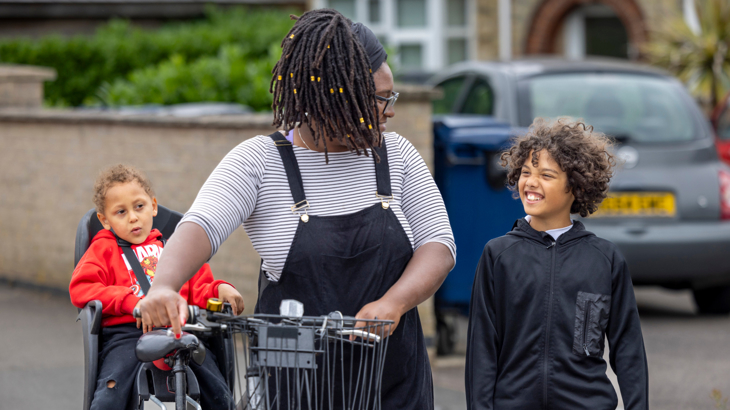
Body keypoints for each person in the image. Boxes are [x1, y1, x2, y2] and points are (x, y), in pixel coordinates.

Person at [137, 9, 456, 410]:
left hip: (391, 379)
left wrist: (394, 302)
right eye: (379, 99)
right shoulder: (259, 162)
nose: (390, 109)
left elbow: (440, 245)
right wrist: (165, 285)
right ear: (334, 100)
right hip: (294, 384)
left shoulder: (397, 155)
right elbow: (200, 225)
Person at [465, 119, 648, 410]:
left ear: (576, 186)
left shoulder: (605, 259)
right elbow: (482, 350)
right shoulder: (498, 255)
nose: (531, 182)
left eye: (547, 175)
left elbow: (628, 347)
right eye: (526, 172)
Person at [69, 164, 244, 410]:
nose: (133, 217)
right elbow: (82, 288)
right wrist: (131, 302)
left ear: (153, 205)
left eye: (139, 206)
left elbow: (200, 287)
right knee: (110, 396)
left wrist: (219, 289)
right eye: (120, 212)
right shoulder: (102, 249)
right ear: (104, 219)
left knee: (218, 390)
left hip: (179, 330)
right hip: (127, 334)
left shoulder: (175, 248)